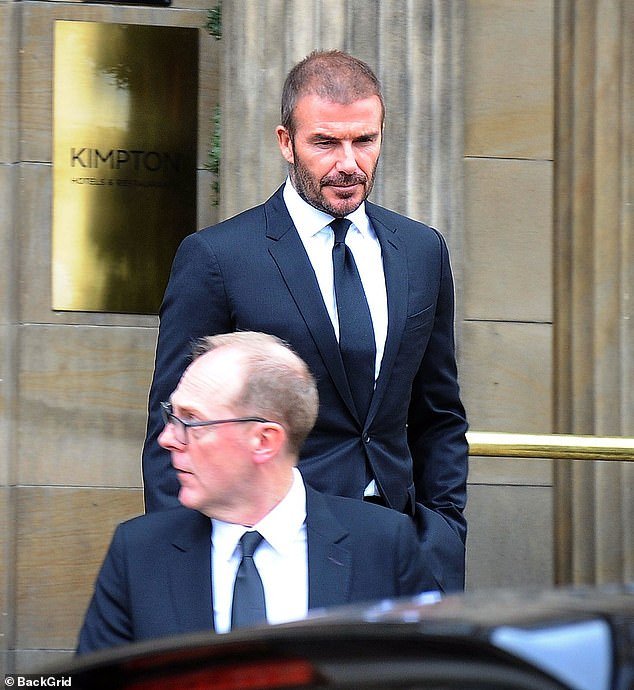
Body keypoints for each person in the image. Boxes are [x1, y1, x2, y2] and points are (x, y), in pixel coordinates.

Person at [142, 49, 469, 592]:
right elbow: (172, 426)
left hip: (401, 551)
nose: (349, 163)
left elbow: (439, 414)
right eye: (325, 142)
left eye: (364, 140)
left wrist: (443, 533)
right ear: (285, 142)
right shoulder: (218, 258)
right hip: (268, 550)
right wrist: (181, 569)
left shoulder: (421, 251)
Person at [77, 332, 436, 653]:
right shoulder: (139, 554)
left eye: (191, 421)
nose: (168, 439)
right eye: (173, 416)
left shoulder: (383, 546)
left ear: (264, 441)